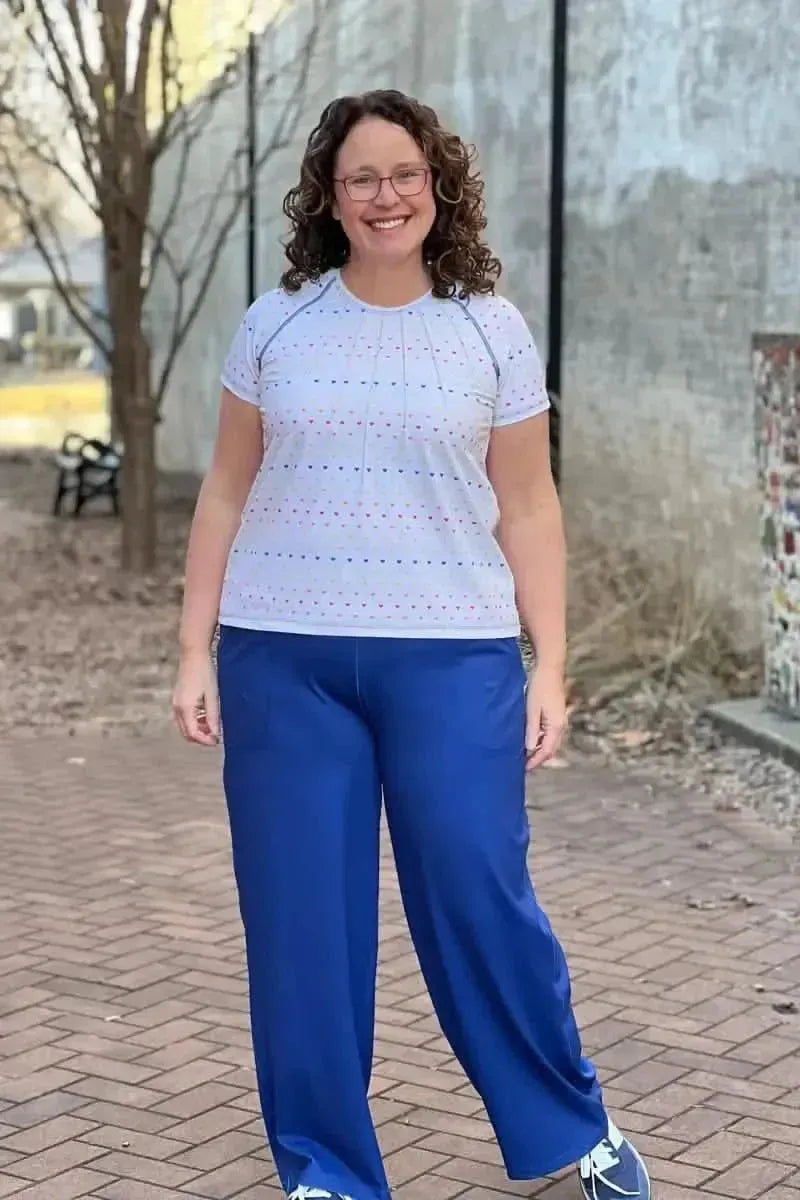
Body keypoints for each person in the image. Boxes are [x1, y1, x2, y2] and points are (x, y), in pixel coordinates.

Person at [172, 89, 650, 1200]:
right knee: (301, 922)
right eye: (359, 179)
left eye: (402, 173)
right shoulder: (275, 322)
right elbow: (226, 494)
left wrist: (552, 663)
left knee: (480, 893)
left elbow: (528, 504)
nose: (384, 195)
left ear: (436, 184)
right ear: (328, 201)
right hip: (281, 660)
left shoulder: (490, 328)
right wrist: (195, 650)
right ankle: (326, 1171)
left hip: (451, 659)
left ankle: (575, 1128)